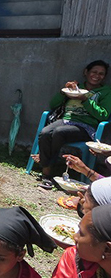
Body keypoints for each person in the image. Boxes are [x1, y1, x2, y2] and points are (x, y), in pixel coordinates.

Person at [34, 60, 111, 189]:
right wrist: (63, 92)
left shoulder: (106, 91)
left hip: (86, 126)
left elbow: (103, 115)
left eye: (101, 74)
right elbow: (53, 105)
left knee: (59, 133)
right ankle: (47, 166)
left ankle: (46, 171)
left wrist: (86, 100)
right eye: (94, 72)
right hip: (66, 120)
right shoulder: (75, 87)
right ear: (86, 72)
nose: (97, 76)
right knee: (45, 132)